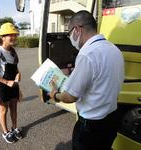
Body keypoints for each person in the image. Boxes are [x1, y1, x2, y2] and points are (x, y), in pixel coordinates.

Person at [49, 10, 124, 150]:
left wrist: (54, 95)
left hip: (91, 126)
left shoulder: (87, 54)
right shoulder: (114, 49)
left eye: (69, 33)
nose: (70, 37)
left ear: (77, 29)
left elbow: (70, 96)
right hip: (111, 119)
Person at [0, 22, 22, 143]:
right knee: (3, 110)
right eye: (9, 35)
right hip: (2, 85)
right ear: (2, 37)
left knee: (14, 109)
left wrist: (18, 75)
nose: (13, 37)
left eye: (14, 34)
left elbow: (15, 69)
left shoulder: (13, 51)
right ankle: (5, 132)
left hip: (13, 85)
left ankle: (14, 128)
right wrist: (6, 82)